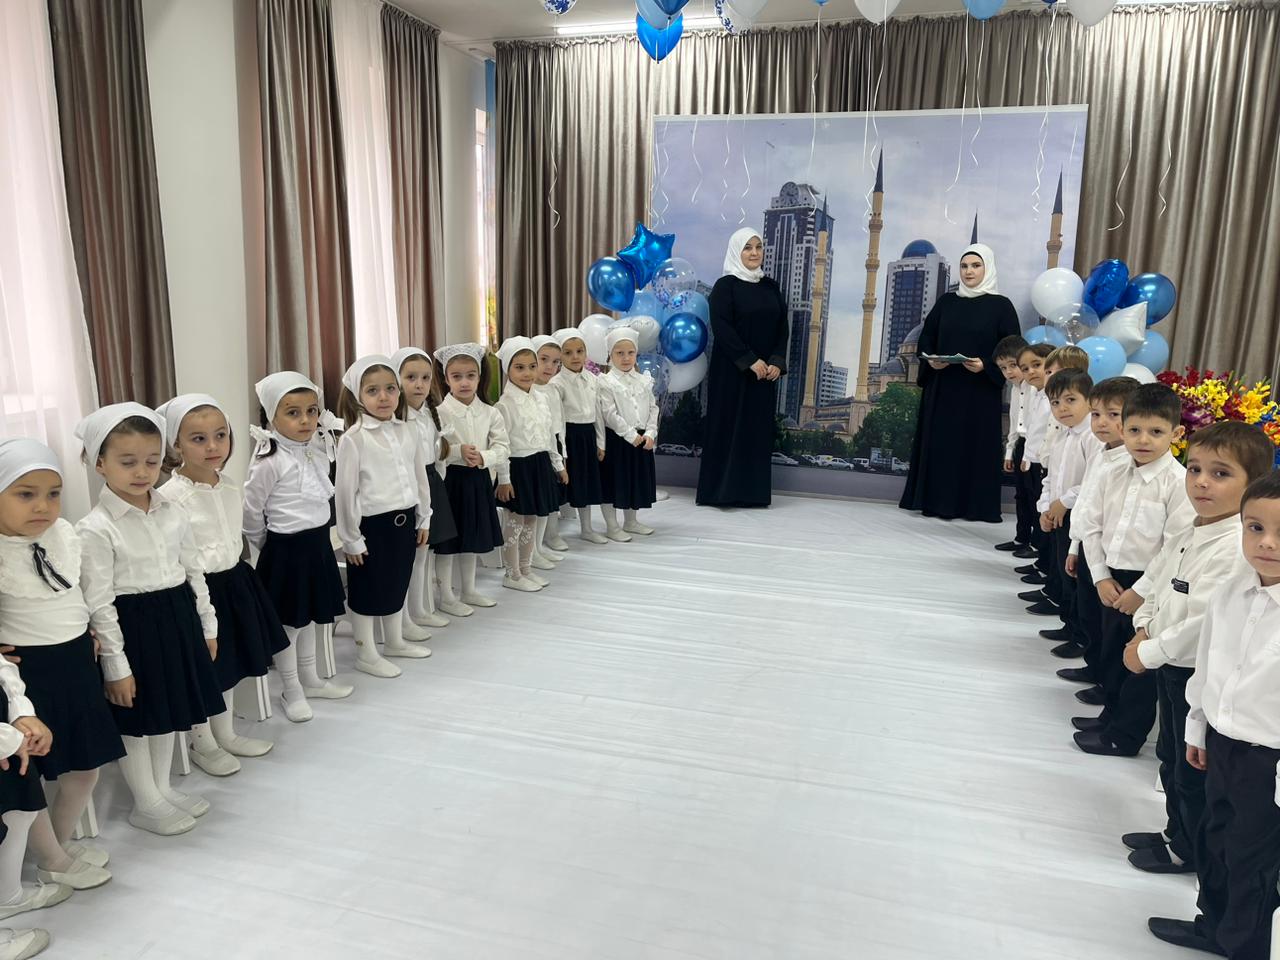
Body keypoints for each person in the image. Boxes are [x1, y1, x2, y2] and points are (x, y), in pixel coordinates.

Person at [1118, 422, 1271, 876]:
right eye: (1195, 469)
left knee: (1190, 773)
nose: (1201, 482)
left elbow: (1203, 623)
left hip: (1193, 672)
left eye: (1220, 474)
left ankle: (1189, 849)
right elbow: (1162, 581)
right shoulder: (1193, 527)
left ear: (1253, 485)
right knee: (1169, 755)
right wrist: (1143, 626)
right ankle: (1177, 832)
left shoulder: (1237, 547)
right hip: (1169, 663)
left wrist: (1148, 651)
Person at [75, 404, 226, 836]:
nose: (142, 472)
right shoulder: (94, 528)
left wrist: (208, 625)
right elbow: (99, 603)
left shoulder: (172, 510)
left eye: (152, 460)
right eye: (128, 462)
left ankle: (161, 789)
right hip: (133, 628)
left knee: (169, 709)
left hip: (177, 618)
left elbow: (193, 570)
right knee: (139, 717)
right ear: (99, 463)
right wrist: (116, 666)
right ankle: (145, 801)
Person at [1148, 470, 1280, 959]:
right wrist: (1197, 726)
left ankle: (1245, 945)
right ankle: (1214, 924)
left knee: (1253, 859)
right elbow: (1208, 664)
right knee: (1214, 837)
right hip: (1223, 742)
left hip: (1269, 761)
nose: (1267, 543)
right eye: (1255, 528)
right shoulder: (1232, 590)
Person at [0, 440, 115, 894]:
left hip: (76, 665)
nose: (42, 506)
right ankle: (52, 859)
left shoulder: (64, 534)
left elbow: (76, 592)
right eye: (25, 494)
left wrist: (87, 631)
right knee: (31, 775)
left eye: (53, 494)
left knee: (84, 768)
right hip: (28, 676)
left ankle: (58, 847)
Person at [157, 395, 285, 777]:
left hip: (233, 582)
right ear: (176, 444)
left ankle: (225, 732)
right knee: (205, 668)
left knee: (229, 664)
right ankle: (203, 743)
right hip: (196, 591)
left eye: (220, 435)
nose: (212, 446)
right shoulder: (170, 498)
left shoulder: (230, 486)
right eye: (198, 439)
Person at [1072, 383, 1195, 757]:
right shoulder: (1111, 471)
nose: (1144, 440)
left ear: (1176, 433)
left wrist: (1140, 591)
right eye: (1135, 430)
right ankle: (1110, 716)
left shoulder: (1177, 483)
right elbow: (1091, 524)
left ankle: (1126, 735)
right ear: (1122, 430)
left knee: (1139, 663)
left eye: (1156, 431)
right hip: (1110, 578)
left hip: (1150, 586)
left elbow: (1175, 547)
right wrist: (1100, 576)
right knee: (1110, 655)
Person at [243, 372, 353, 723]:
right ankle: (291, 689)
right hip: (285, 551)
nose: (305, 420)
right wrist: (268, 546)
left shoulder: (318, 448)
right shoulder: (269, 460)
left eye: (312, 411)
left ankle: (310, 678)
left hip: (317, 546)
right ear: (272, 416)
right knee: (289, 625)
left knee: (309, 620)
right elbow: (251, 512)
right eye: (293, 413)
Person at [898, 243, 1021, 523]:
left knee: (974, 448)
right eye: (964, 266)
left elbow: (1013, 348)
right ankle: (936, 502)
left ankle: (974, 507)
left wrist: (986, 365)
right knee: (942, 446)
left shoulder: (1001, 306)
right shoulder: (947, 302)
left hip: (979, 393)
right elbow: (927, 338)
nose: (969, 271)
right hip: (943, 389)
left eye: (976, 266)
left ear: (988, 268)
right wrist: (931, 360)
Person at [334, 356, 434, 678]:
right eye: (373, 390)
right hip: (371, 528)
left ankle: (394, 641)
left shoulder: (408, 430)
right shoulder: (354, 439)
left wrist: (424, 516)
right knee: (367, 590)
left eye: (390, 389)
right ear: (358, 395)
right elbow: (345, 493)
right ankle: (366, 653)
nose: (383, 397)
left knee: (397, 582)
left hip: (404, 522)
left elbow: (420, 478)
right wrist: (351, 538)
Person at [1052, 377, 1141, 684]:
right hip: (1089, 550)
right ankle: (1094, 668)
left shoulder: (1129, 462)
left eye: (1113, 414)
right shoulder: (1101, 453)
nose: (1102, 422)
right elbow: (1087, 508)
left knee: (1110, 626)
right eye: (1096, 414)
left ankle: (1107, 682)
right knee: (1088, 613)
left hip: (1111, 557)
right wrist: (1074, 547)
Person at [696, 228, 789, 509]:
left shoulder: (771, 287)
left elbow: (783, 328)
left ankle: (752, 494)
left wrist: (776, 361)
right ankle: (720, 492)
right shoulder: (726, 286)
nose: (754, 253)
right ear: (737, 251)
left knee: (755, 431)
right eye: (747, 247)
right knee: (728, 426)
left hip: (764, 375)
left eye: (758, 247)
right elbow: (722, 327)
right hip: (732, 372)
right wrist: (749, 360)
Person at [432, 343, 509, 617]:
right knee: (448, 543)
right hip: (449, 483)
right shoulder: (439, 413)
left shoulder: (490, 412)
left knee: (471, 537)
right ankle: (446, 596)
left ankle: (469, 589)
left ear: (479, 377)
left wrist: (484, 457)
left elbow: (503, 447)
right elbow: (433, 449)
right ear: (446, 378)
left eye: (470, 376)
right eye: (457, 376)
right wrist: (456, 452)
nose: (464, 382)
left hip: (477, 481)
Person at [1035, 370, 1100, 662]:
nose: (1062, 408)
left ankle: (1082, 637)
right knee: (1063, 572)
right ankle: (1069, 625)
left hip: (1081, 515)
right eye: (1055, 402)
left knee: (1078, 578)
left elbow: (1094, 481)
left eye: (1070, 400)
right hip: (1059, 514)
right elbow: (1051, 478)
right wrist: (1045, 507)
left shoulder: (1093, 437)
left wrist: (1064, 501)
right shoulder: (1062, 436)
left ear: (1090, 400)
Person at [391, 347, 455, 638]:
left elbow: (437, 452)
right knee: (410, 556)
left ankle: (420, 609)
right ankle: (406, 616)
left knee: (423, 553)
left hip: (429, 483)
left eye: (425, 378)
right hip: (408, 488)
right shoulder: (397, 419)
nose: (419, 384)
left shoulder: (429, 413)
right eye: (411, 377)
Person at [494, 337, 566, 593]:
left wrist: (558, 464)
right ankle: (511, 574)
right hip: (518, 468)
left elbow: (549, 435)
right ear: (508, 370)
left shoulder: (541, 399)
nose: (527, 373)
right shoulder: (504, 405)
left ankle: (525, 568)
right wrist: (504, 479)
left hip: (539, 464)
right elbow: (501, 446)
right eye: (519, 367)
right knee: (515, 522)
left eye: (531, 366)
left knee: (532, 519)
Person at [598, 328, 659, 539]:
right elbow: (609, 413)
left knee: (635, 481)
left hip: (642, 439)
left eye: (630, 353)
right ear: (610, 355)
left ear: (636, 354)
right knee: (613, 483)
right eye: (620, 353)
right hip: (618, 440)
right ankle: (612, 526)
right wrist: (630, 435)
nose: (625, 358)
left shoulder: (644, 380)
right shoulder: (606, 381)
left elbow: (653, 408)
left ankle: (631, 521)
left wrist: (650, 432)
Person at [551, 327, 609, 544]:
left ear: (586, 353)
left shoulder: (593, 379)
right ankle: (552, 534)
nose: (575, 357)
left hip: (588, 436)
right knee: (563, 485)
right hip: (568, 436)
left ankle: (587, 528)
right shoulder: (557, 383)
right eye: (568, 353)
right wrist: (563, 452)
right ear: (560, 356)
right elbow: (558, 421)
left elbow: (598, 415)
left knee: (586, 483)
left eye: (579, 351)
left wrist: (600, 443)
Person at [531, 334, 570, 560]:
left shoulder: (553, 390)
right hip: (536, 447)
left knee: (551, 494)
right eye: (544, 359)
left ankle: (548, 536)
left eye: (556, 362)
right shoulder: (530, 391)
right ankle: (536, 545)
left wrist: (562, 453)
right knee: (539, 497)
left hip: (554, 443)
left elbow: (559, 422)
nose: (549, 367)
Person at [993, 335, 1031, 553]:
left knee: (1035, 496)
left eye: (1013, 365)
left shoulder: (1037, 390)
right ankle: (1021, 538)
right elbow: (1015, 424)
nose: (1009, 372)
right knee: (1021, 495)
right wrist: (1009, 452)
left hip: (1035, 450)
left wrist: (1030, 455)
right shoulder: (1015, 390)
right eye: (1003, 368)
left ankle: (1036, 543)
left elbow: (1038, 427)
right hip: (1020, 446)